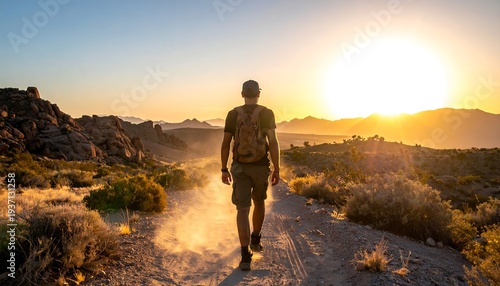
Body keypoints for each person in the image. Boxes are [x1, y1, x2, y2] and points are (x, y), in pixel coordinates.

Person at [221, 79, 280, 271]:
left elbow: (226, 144)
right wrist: (277, 168)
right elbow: (273, 142)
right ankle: (255, 238)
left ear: (242, 94)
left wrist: (224, 168)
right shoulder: (267, 113)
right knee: (259, 202)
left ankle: (245, 255)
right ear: (258, 94)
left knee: (242, 210)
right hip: (261, 166)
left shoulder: (232, 114)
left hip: (239, 167)